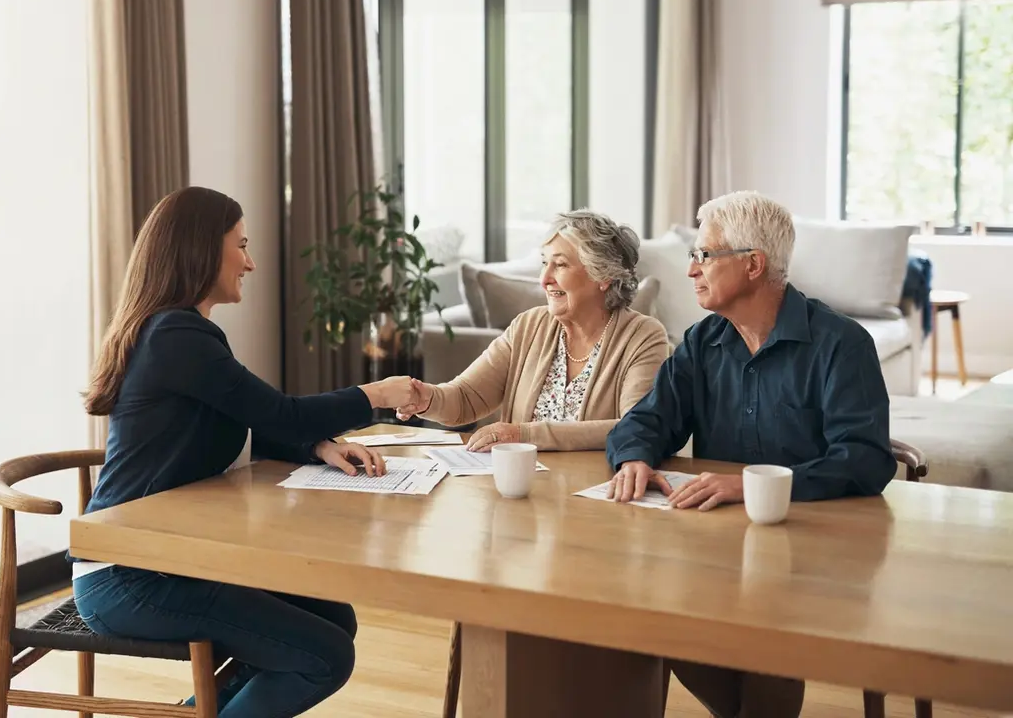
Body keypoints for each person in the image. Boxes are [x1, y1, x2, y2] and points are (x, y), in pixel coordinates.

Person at [72, 187, 421, 717]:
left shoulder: (179, 331)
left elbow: (247, 422)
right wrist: (376, 394)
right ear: (201, 250)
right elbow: (282, 412)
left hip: (165, 561)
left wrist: (318, 446)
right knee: (323, 655)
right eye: (241, 245)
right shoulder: (176, 335)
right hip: (131, 574)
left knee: (333, 619)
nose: (251, 263)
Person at [605, 190, 897, 718]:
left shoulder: (842, 344)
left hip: (818, 551)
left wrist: (753, 486)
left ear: (754, 265)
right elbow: (647, 420)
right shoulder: (702, 342)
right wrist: (635, 457)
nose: (691, 270)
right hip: (719, 547)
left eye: (704, 255)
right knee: (649, 612)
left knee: (769, 627)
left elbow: (865, 458)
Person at [399, 209, 670, 451]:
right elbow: (466, 397)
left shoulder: (643, 336)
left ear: (603, 276)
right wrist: (426, 399)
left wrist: (523, 434)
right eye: (544, 263)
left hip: (596, 484)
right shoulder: (529, 325)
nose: (544, 279)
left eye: (560, 265)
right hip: (523, 482)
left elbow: (635, 427)